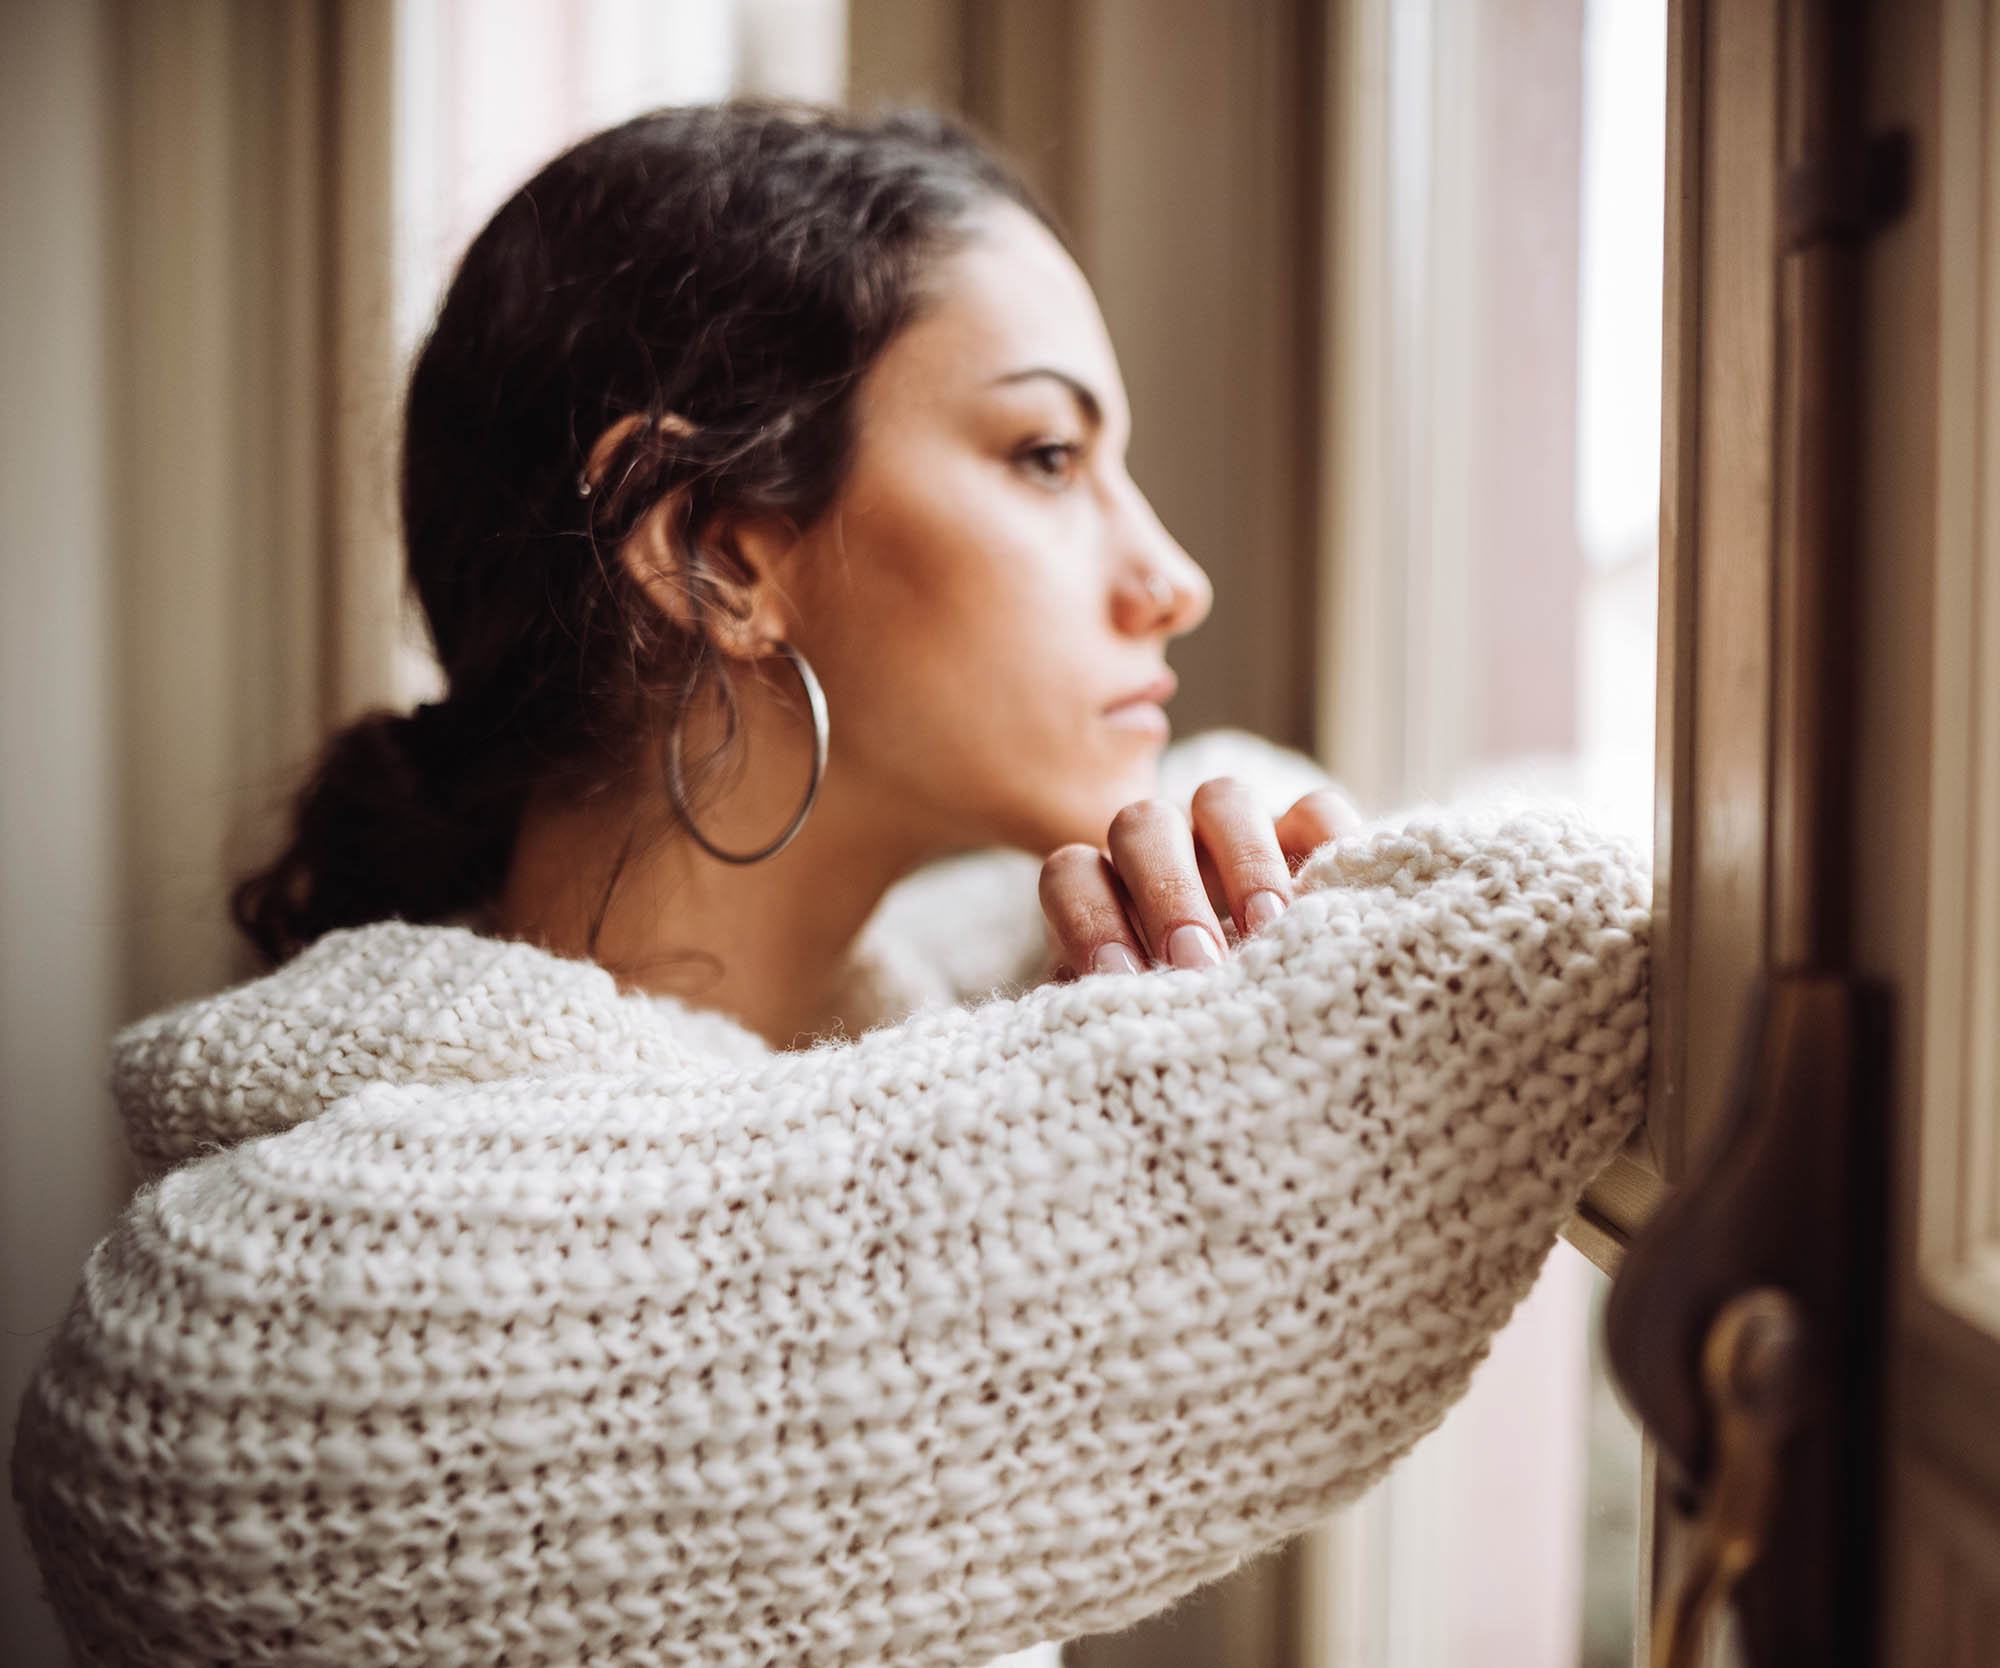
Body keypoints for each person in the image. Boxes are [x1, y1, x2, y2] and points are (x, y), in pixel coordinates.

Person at [10, 105, 1650, 1667]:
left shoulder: (859, 1030)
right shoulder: (252, 1334)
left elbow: (1224, 819)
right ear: (718, 552)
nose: (1171, 574)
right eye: (1048, 454)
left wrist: (1263, 844)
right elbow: (1516, 960)